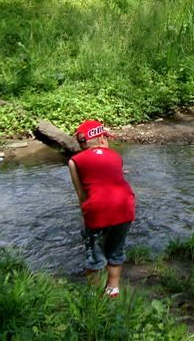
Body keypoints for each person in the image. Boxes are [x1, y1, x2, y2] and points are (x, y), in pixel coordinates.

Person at [68, 119, 136, 298]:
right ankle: (113, 291)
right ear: (101, 139)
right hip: (125, 207)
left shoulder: (74, 161)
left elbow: (82, 196)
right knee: (116, 250)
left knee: (95, 255)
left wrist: (86, 216)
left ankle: (94, 296)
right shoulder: (115, 156)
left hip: (98, 211)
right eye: (107, 137)